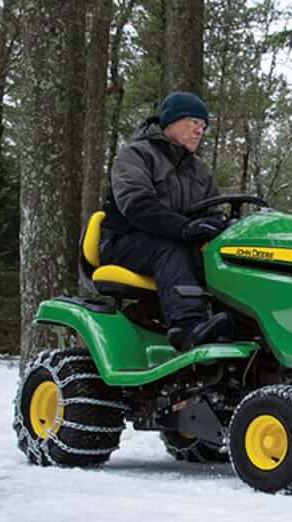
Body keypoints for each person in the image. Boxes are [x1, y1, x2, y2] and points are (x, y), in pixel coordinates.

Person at [99, 91, 232, 351]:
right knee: (170, 248)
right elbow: (137, 206)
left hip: (177, 242)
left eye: (203, 126)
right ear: (170, 121)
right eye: (194, 122)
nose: (200, 130)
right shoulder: (136, 155)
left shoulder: (200, 171)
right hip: (125, 243)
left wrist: (217, 226)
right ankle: (188, 325)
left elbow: (213, 212)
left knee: (224, 254)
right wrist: (184, 228)